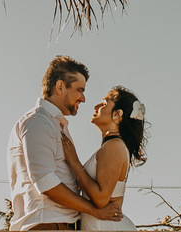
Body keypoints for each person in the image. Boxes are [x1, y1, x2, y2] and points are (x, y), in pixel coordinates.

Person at [9, 56, 125, 230]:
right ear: (60, 87)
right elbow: (46, 183)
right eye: (79, 90)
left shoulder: (57, 124)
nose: (83, 98)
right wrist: (94, 211)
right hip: (47, 225)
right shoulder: (38, 121)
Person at [61, 86, 146, 231]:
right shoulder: (113, 146)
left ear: (117, 115)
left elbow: (101, 198)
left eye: (104, 104)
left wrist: (73, 160)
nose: (96, 106)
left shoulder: (114, 146)